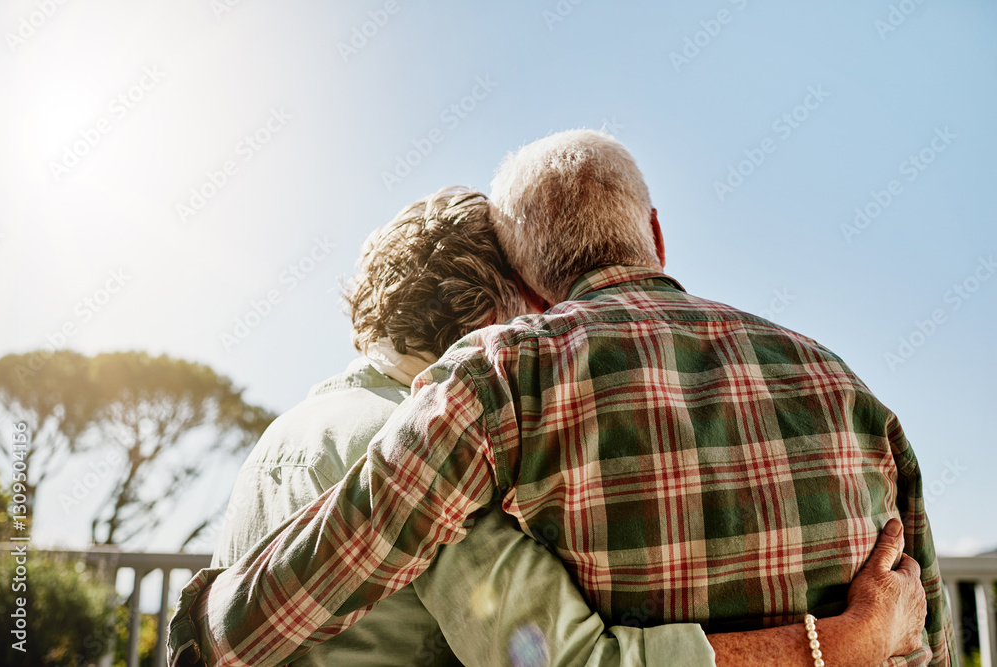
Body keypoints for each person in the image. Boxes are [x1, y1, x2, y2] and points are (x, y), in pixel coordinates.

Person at [169, 131, 950, 665]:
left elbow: (247, 615)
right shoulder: (846, 383)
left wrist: (198, 628)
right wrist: (833, 645)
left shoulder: (289, 432)